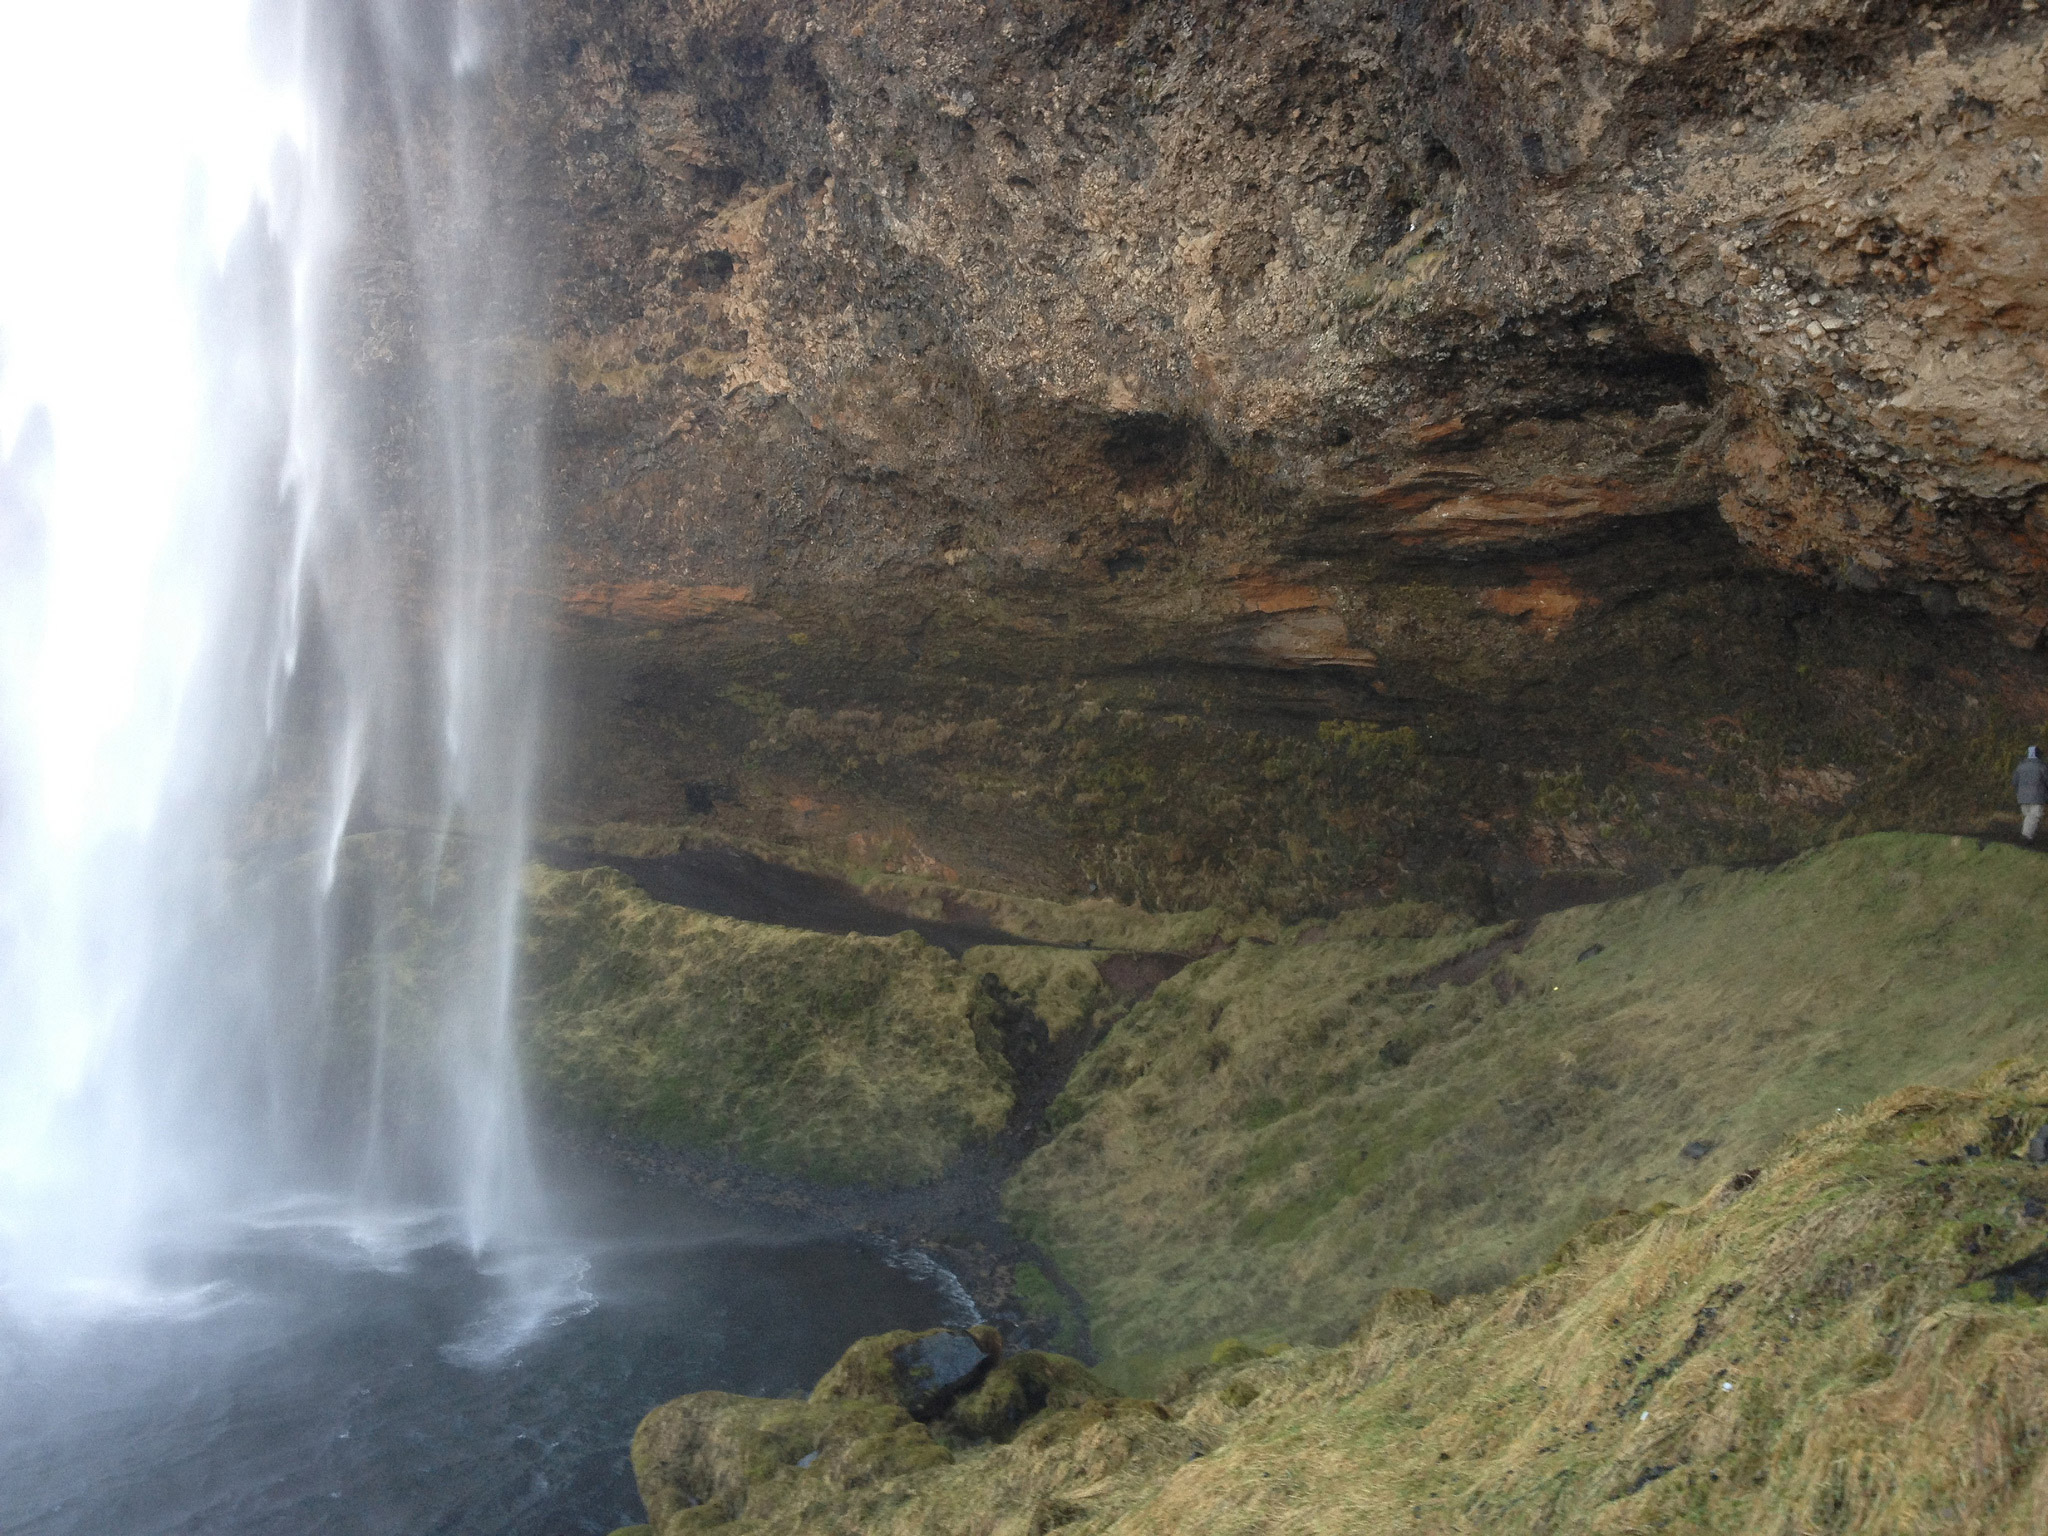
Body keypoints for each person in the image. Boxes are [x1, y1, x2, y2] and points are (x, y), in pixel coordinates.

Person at [2017, 745, 2048, 842]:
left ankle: (2027, 835)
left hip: (2022, 797)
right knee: (2034, 815)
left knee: (2028, 815)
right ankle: (2026, 836)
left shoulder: (2020, 766)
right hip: (2037, 795)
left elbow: (2014, 781)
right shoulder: (2042, 766)